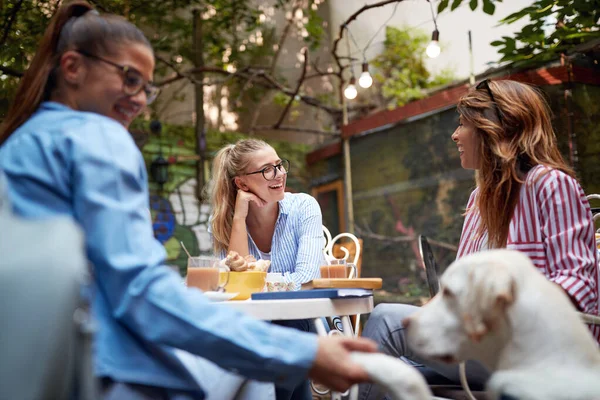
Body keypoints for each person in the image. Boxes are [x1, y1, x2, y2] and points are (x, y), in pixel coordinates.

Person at [0, 2, 377, 399]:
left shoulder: (17, 145)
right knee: (257, 373)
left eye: (146, 87)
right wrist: (304, 354)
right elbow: (140, 292)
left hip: (32, 369)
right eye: (129, 79)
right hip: (97, 368)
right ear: (73, 68)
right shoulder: (98, 138)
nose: (140, 100)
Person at [357, 79, 600, 400]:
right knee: (392, 370)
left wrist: (499, 309)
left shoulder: (550, 183)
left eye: (463, 124)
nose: (455, 135)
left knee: (386, 321)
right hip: (485, 346)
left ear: (495, 128)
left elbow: (578, 282)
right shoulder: (478, 198)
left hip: (540, 354)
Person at [206, 139, 324, 400]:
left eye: (279, 165)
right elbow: (234, 289)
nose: (280, 174)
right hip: (253, 321)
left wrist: (257, 282)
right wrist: (238, 218)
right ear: (242, 183)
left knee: (283, 327)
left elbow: (306, 281)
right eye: (267, 169)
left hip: (306, 317)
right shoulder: (223, 222)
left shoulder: (304, 207)